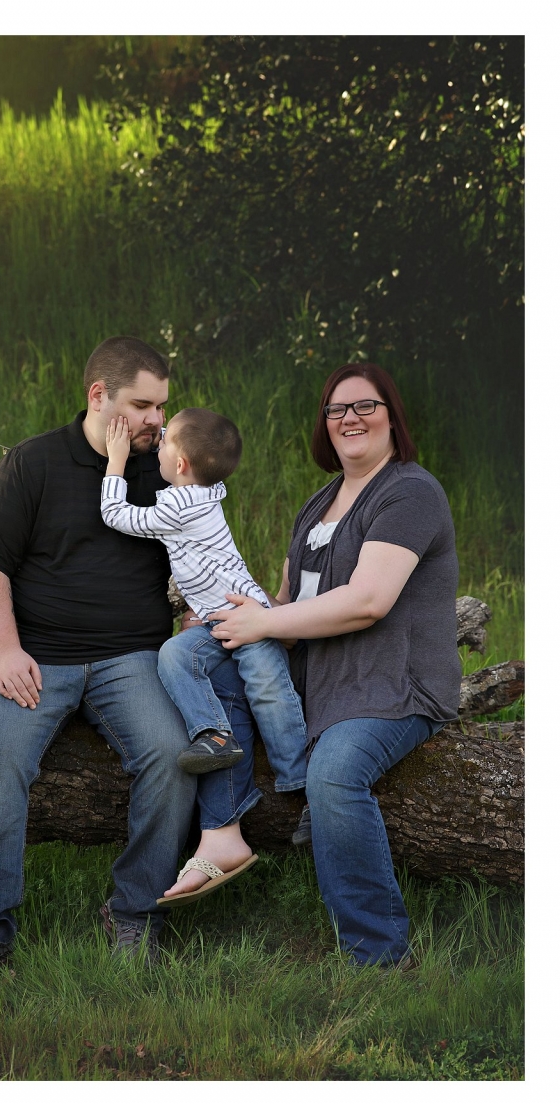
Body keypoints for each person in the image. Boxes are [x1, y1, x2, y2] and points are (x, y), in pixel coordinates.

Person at [0, 336, 262, 977]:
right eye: (143, 405)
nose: (157, 421)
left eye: (162, 407)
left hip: (132, 658)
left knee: (176, 758)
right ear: (99, 396)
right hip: (35, 655)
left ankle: (136, 913)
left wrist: (207, 613)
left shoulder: (169, 470)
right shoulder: (33, 463)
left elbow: (204, 555)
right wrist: (5, 652)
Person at [203, 363, 461, 967]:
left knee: (336, 774)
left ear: (392, 417)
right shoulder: (318, 505)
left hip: (396, 686)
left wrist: (266, 623)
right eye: (337, 410)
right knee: (195, 663)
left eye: (365, 406)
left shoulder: (410, 492)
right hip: (323, 680)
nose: (350, 419)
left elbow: (367, 602)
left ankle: (378, 953)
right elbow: (295, 604)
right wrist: (247, 617)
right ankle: (220, 837)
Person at [101, 407, 308, 801]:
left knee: (270, 691)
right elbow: (190, 442)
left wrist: (116, 460)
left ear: (179, 463)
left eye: (162, 441)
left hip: (247, 618)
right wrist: (159, 430)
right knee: (176, 655)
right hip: (216, 620)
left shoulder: (178, 508)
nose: (156, 441)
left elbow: (115, 515)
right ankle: (215, 734)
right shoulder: (206, 487)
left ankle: (301, 783)